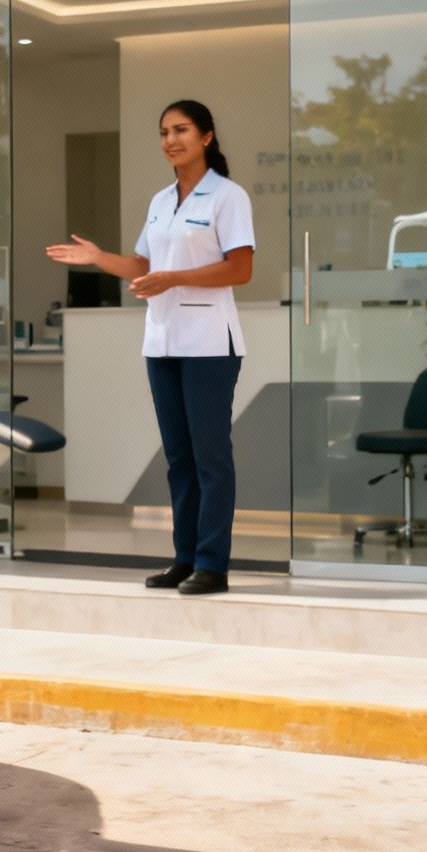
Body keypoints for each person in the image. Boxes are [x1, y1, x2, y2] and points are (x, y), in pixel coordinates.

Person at [47, 99, 254, 596]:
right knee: (178, 459)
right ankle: (185, 559)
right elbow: (143, 267)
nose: (170, 140)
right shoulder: (161, 201)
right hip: (162, 342)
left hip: (209, 344)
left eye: (180, 130)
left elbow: (240, 268)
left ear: (206, 136)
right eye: (163, 132)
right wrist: (99, 258)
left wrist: (174, 278)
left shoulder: (228, 196)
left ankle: (213, 565)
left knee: (210, 458)